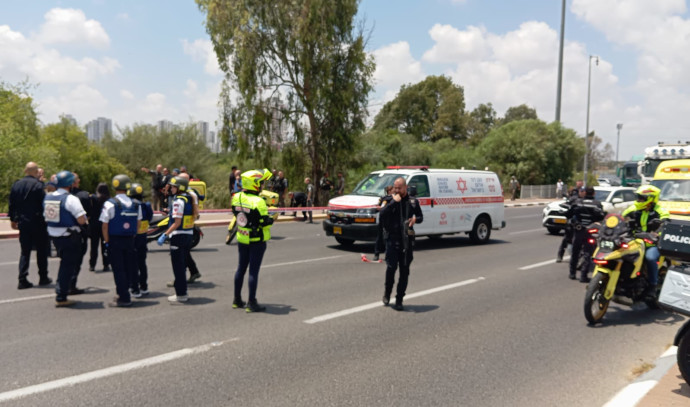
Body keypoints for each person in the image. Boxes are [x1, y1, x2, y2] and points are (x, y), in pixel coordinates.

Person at [231, 169, 275, 312]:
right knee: (253, 272)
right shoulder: (259, 201)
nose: (263, 185)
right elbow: (264, 222)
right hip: (257, 240)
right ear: (255, 184)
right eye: (261, 182)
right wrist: (273, 217)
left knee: (240, 268)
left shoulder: (236, 197)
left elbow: (237, 214)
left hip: (242, 237)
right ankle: (251, 303)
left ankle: (237, 300)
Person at [44, 170, 87, 307]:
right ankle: (61, 296)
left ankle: (62, 291)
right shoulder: (71, 199)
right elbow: (81, 220)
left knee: (65, 264)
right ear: (70, 184)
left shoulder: (48, 197)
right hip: (69, 237)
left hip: (54, 236)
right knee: (67, 266)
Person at [379, 177, 423, 311]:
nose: (397, 190)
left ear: (405, 187)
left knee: (404, 272)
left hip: (407, 242)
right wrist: (393, 202)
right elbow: (381, 215)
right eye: (395, 188)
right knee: (391, 269)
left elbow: (420, 217)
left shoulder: (413, 202)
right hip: (392, 241)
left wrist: (415, 219)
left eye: (399, 188)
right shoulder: (388, 200)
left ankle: (399, 299)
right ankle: (387, 293)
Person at [9, 162, 51, 289]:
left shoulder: (16, 185)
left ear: (25, 171)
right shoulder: (38, 186)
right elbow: (45, 204)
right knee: (41, 251)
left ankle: (22, 279)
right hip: (38, 222)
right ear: (35, 171)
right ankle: (43, 277)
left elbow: (12, 204)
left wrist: (13, 219)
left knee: (25, 252)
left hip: (23, 222)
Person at [101, 174, 141, 308]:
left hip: (115, 240)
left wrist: (107, 241)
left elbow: (105, 225)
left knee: (118, 270)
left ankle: (124, 298)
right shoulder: (136, 204)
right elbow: (138, 223)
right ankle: (123, 292)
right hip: (130, 239)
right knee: (128, 267)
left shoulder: (110, 204)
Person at [622, 185, 669, 299]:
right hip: (634, 241)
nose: (638, 200)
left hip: (652, 244)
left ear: (651, 199)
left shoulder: (661, 212)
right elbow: (621, 219)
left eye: (641, 198)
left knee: (650, 258)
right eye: (638, 197)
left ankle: (652, 285)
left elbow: (665, 227)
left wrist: (657, 234)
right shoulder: (633, 208)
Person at [157, 175, 195, 303]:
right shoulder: (189, 199)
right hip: (188, 235)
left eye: (173, 186)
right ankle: (182, 292)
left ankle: (181, 294)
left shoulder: (178, 201)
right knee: (182, 265)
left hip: (178, 236)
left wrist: (165, 235)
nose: (171, 188)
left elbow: (177, 222)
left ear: (179, 188)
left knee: (178, 267)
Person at [565, 186, 605, 282]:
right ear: (594, 193)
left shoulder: (578, 202)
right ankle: (583, 276)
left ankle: (572, 273)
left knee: (575, 252)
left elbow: (568, 214)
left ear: (585, 193)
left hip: (579, 230)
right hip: (591, 232)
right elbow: (601, 216)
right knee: (588, 253)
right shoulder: (597, 204)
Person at [128, 183, 153, 296]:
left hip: (133, 238)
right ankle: (144, 287)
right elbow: (150, 218)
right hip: (143, 237)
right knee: (142, 263)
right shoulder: (146, 205)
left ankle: (134, 287)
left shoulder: (131, 206)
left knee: (132, 264)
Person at [69, 172, 91, 294]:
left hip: (63, 232)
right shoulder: (84, 195)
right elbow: (88, 214)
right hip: (79, 230)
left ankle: (65, 284)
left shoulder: (62, 196)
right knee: (77, 259)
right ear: (78, 181)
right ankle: (71, 284)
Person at [556, 180, 584, 263]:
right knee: (566, 239)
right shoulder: (574, 199)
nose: (582, 192)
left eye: (583, 191)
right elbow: (569, 211)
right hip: (573, 222)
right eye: (581, 191)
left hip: (583, 224)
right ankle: (560, 255)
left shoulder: (586, 201)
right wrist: (565, 213)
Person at [88, 183, 110, 272]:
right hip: (104, 224)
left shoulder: (93, 198)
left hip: (94, 224)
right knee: (105, 245)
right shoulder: (108, 200)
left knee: (94, 246)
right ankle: (106, 264)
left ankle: (92, 265)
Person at [373, 185, 394, 262]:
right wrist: (377, 208)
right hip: (383, 220)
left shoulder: (393, 199)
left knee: (388, 237)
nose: (394, 190)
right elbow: (377, 208)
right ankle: (377, 253)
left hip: (390, 220)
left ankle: (386, 254)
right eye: (393, 189)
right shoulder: (384, 198)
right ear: (389, 191)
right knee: (380, 237)